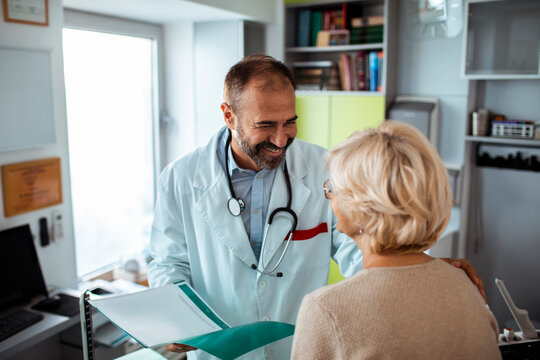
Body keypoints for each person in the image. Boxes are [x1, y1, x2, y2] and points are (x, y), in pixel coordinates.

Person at [147, 55, 485, 360]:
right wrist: (178, 319)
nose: (281, 140)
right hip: (219, 350)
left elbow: (361, 245)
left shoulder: (323, 167)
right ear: (228, 115)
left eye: (289, 122)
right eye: (266, 125)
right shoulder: (180, 178)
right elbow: (168, 261)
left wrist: (413, 273)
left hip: (305, 342)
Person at [291, 121, 501, 360]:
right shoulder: (466, 284)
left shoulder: (325, 309)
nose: (328, 195)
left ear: (362, 208)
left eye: (333, 188)